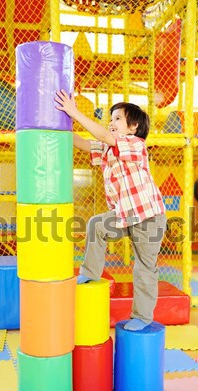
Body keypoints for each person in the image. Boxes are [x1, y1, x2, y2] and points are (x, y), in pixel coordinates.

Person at [55, 90, 167, 331]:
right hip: (125, 215)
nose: (112, 122)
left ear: (133, 127)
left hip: (148, 216)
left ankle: (143, 316)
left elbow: (105, 136)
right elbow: (85, 143)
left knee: (144, 268)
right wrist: (59, 124)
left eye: (118, 119)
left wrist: (74, 112)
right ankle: (91, 272)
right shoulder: (108, 149)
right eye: (111, 118)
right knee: (97, 224)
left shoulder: (136, 144)